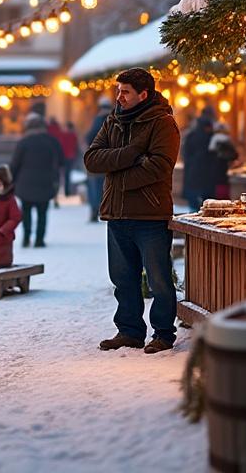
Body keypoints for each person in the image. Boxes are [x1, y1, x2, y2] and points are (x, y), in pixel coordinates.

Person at [84, 67, 181, 355]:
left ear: (143, 94)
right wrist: (130, 155)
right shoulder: (112, 120)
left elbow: (159, 165)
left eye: (125, 92)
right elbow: (91, 159)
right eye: (118, 91)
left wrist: (116, 175)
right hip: (116, 214)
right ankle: (129, 331)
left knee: (158, 279)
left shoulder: (162, 123)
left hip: (150, 215)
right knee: (122, 279)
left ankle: (163, 333)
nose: (119, 97)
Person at [9, 114, 63, 248]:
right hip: (46, 181)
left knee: (26, 212)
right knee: (42, 212)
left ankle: (26, 238)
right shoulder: (52, 141)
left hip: (25, 183)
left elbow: (15, 164)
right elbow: (61, 161)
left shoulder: (24, 142)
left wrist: (11, 180)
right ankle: (39, 239)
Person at [84, 97, 113, 222]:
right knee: (108, 186)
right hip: (111, 159)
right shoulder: (116, 120)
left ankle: (95, 209)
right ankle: (107, 210)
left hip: (97, 158)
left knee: (95, 186)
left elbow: (90, 137)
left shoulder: (97, 120)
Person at [181, 115, 213, 211]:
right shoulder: (209, 137)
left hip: (192, 172)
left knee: (193, 203)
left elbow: (185, 153)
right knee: (205, 202)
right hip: (205, 174)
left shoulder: (191, 136)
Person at [207, 122, 238, 200]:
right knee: (223, 184)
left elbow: (210, 152)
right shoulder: (227, 139)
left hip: (214, 167)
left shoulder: (213, 139)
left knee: (218, 185)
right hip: (224, 167)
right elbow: (234, 154)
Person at [59, 121, 80, 197]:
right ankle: (68, 190)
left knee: (64, 174)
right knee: (69, 174)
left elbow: (61, 146)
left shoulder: (63, 135)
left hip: (64, 157)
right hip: (71, 157)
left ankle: (66, 190)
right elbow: (76, 147)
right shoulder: (74, 135)